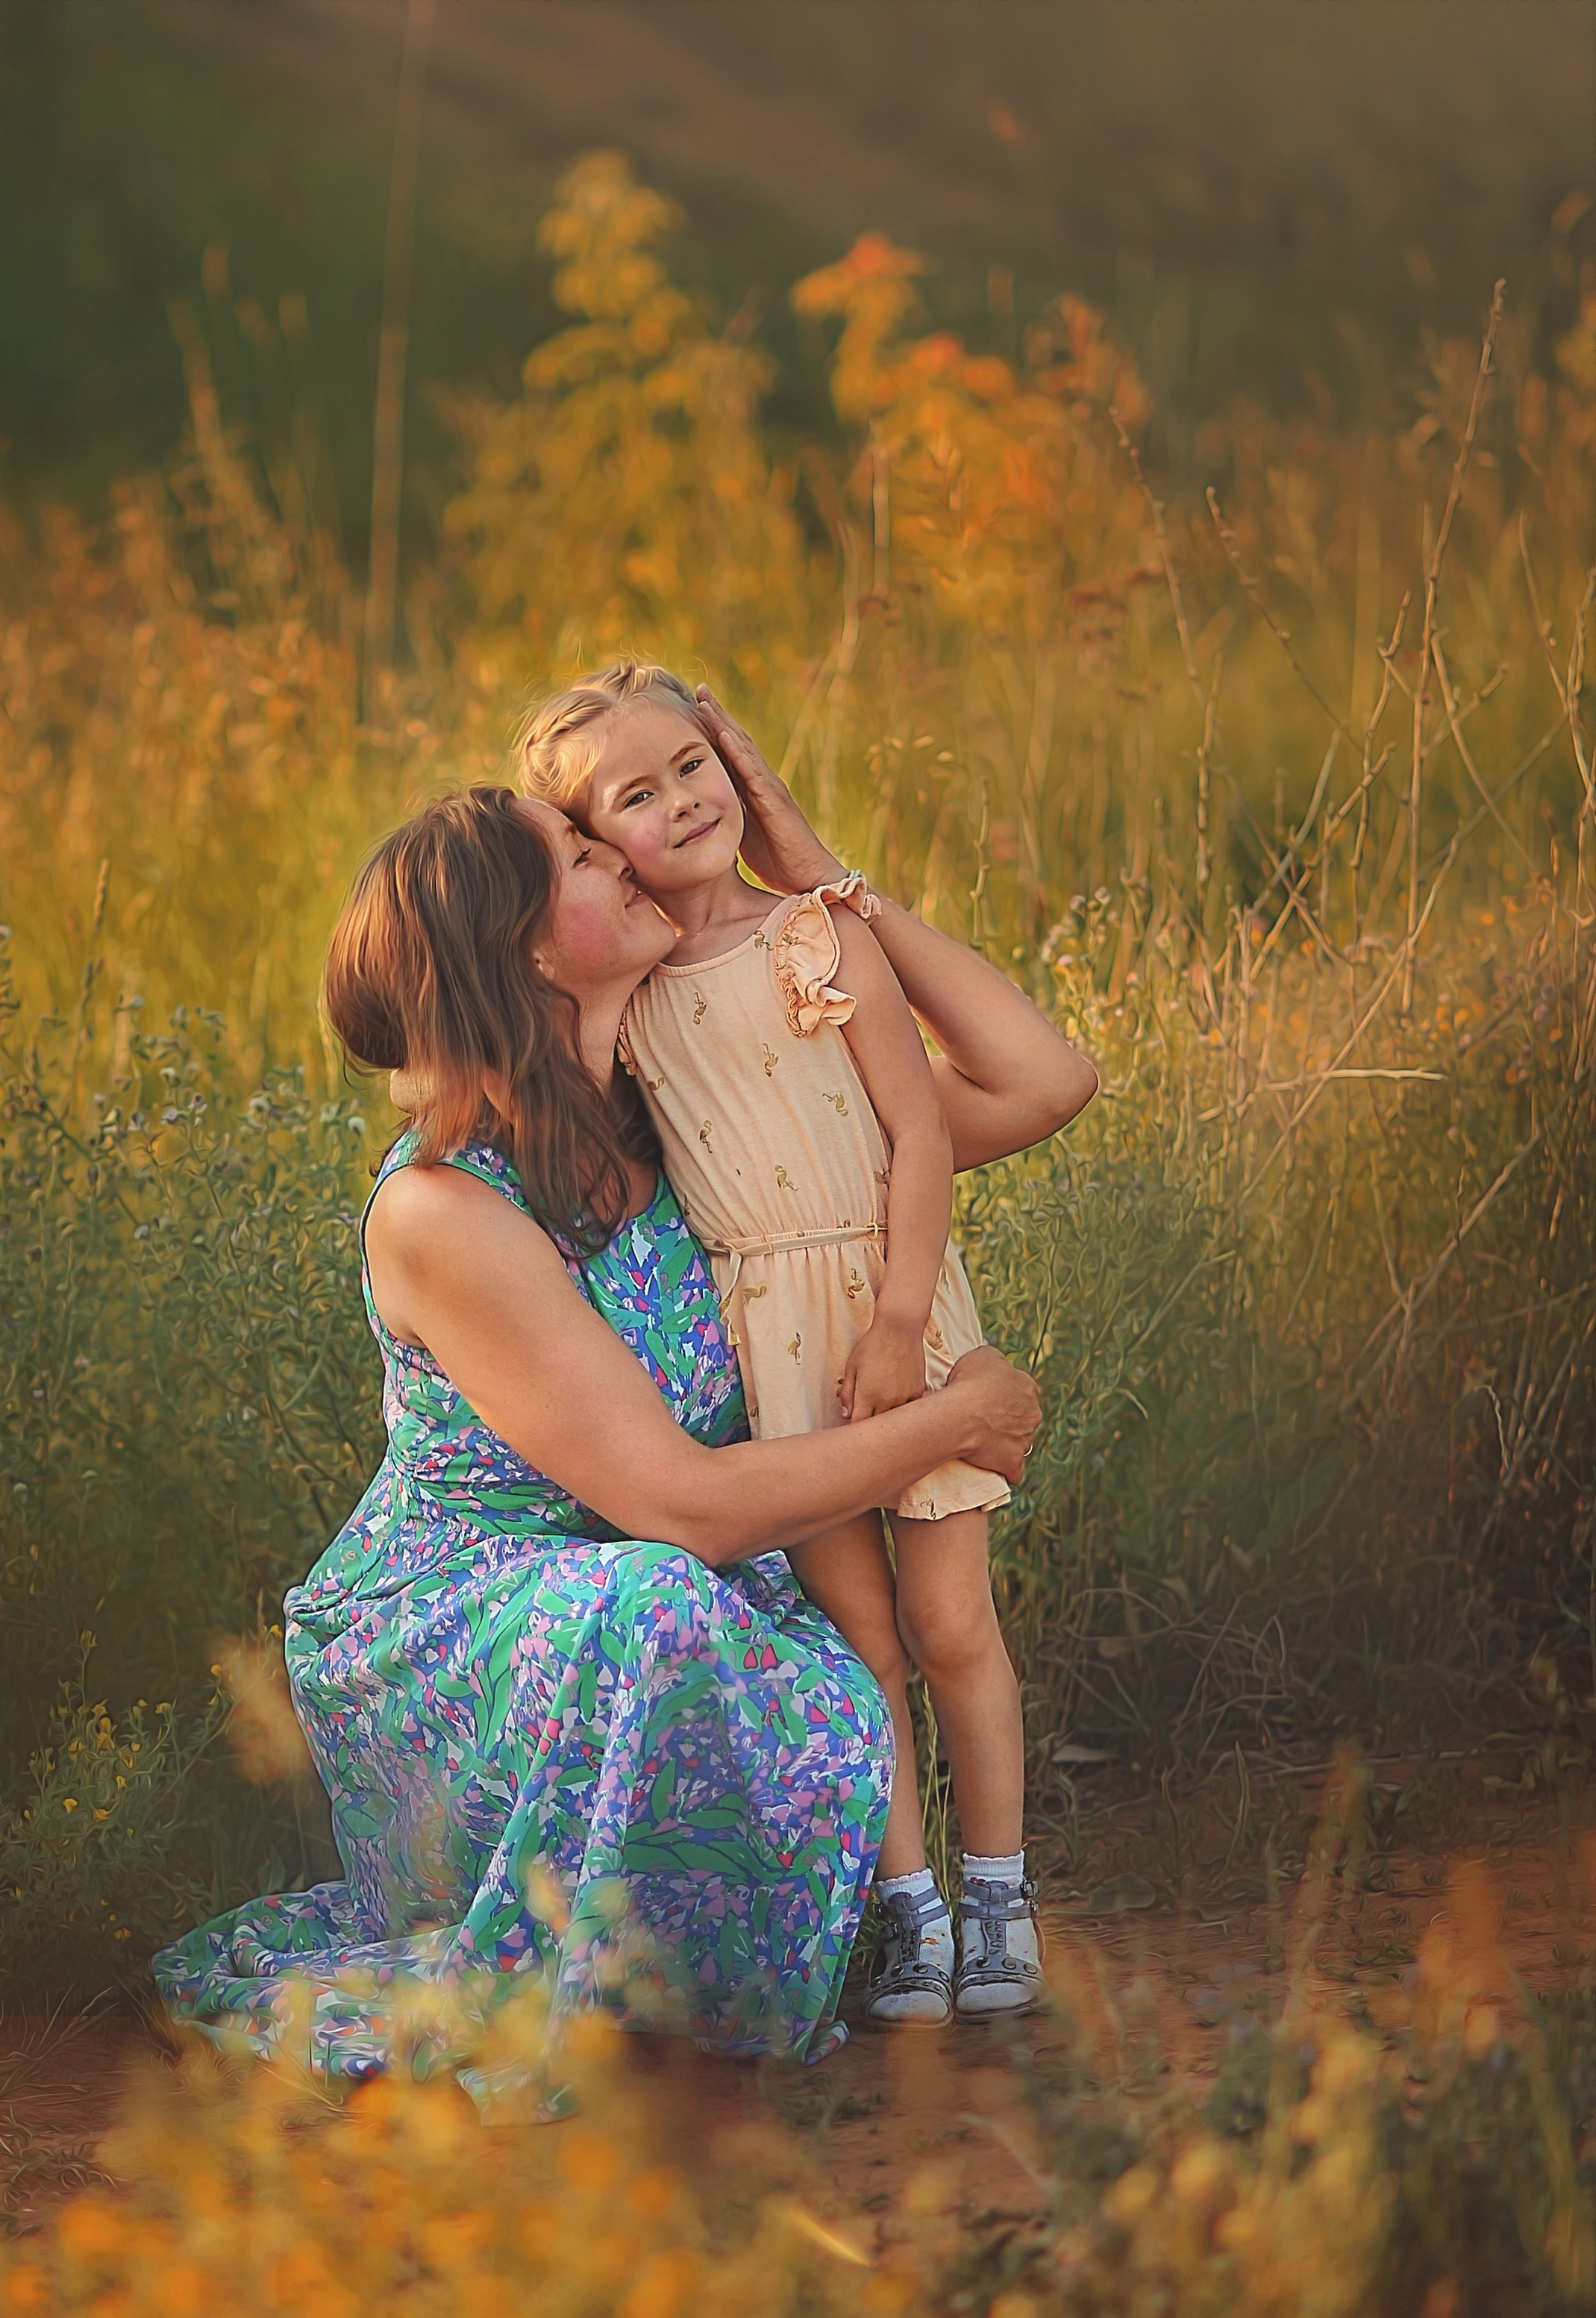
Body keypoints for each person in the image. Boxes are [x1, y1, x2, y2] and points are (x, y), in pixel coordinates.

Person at [152, 785, 1042, 2118]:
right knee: (663, 1604)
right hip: (469, 1624)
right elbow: (680, 1507)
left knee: (815, 1648)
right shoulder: (443, 1209)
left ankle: (706, 1983)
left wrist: (823, 882)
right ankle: (597, 2003)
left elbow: (1036, 1081)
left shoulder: (683, 1124)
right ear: (519, 954)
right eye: (579, 853)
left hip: (678, 1581)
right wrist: (953, 1423)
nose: (624, 852)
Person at [518, 664, 1096, 2025]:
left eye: (696, 764)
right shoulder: (639, 985)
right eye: (636, 798)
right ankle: (908, 1913)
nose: (684, 801)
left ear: (738, 764)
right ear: (599, 854)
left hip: (893, 1295)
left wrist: (902, 1321)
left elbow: (918, 1132)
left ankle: (1001, 1893)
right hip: (767, 1337)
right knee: (859, 1637)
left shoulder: (819, 935)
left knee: (954, 1619)